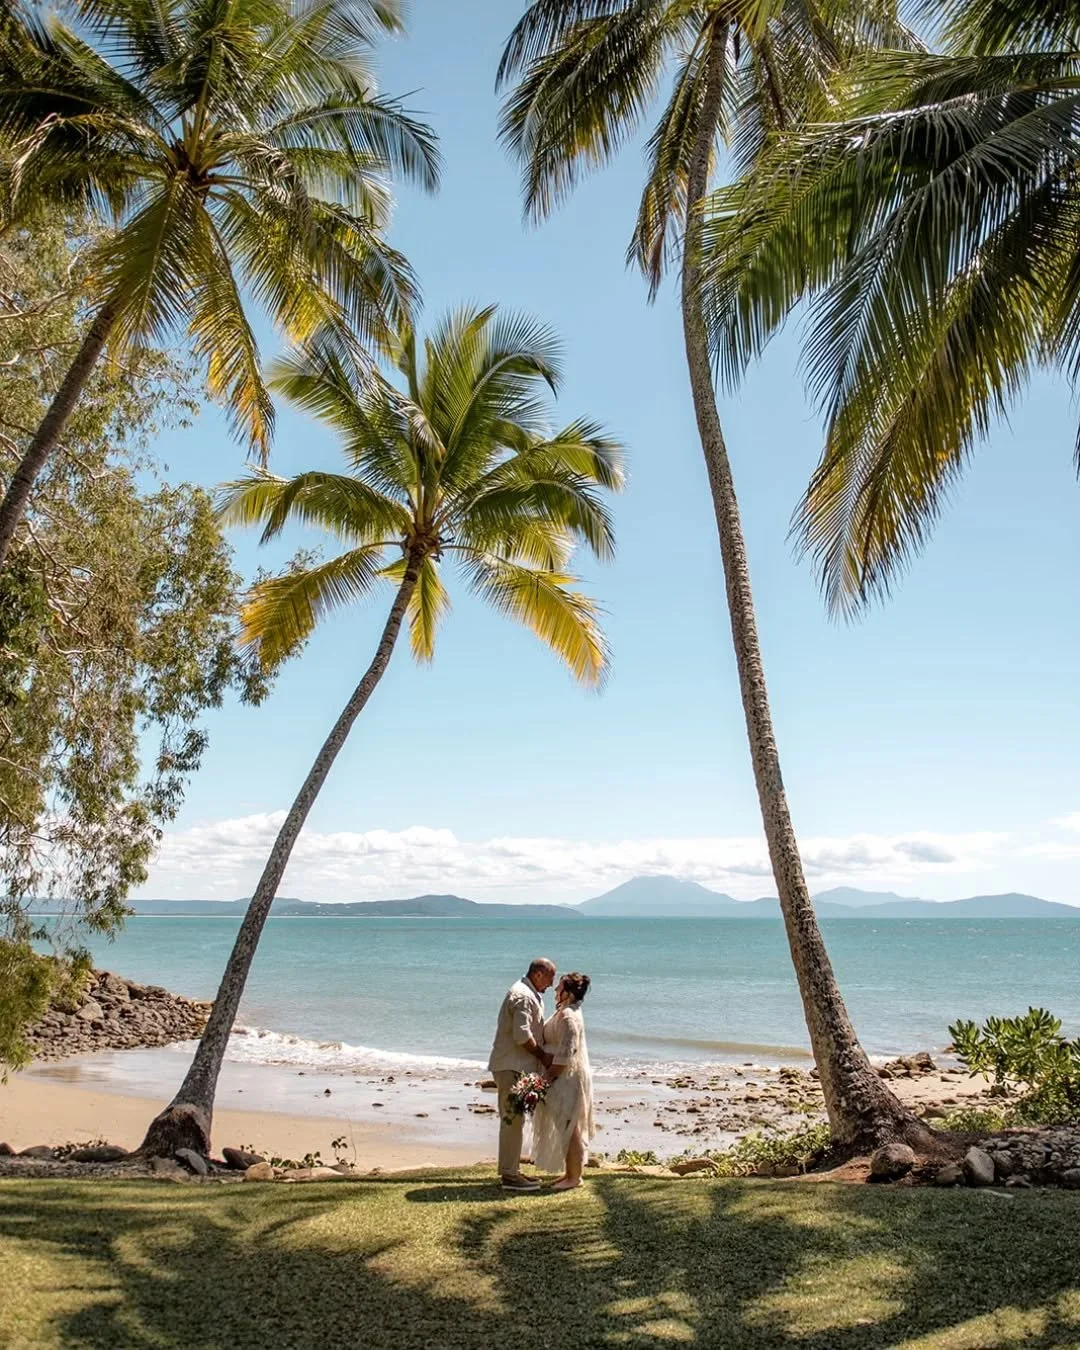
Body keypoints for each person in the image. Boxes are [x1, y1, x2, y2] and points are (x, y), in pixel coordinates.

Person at [488, 958, 556, 1191]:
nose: (551, 984)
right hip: (512, 1066)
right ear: (538, 975)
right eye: (550, 978)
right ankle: (509, 1174)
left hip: (514, 1066)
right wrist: (542, 1056)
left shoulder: (527, 993)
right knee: (512, 1120)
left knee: (515, 1120)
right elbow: (521, 1035)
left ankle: (511, 1170)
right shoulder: (523, 996)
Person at [532, 971, 594, 1191]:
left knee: (570, 1126)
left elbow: (567, 1054)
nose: (555, 991)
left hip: (565, 1078)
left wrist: (546, 1078)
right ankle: (569, 1173)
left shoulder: (568, 1016)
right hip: (561, 1076)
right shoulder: (565, 1011)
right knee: (565, 1125)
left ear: (567, 993)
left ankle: (574, 1177)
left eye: (559, 988)